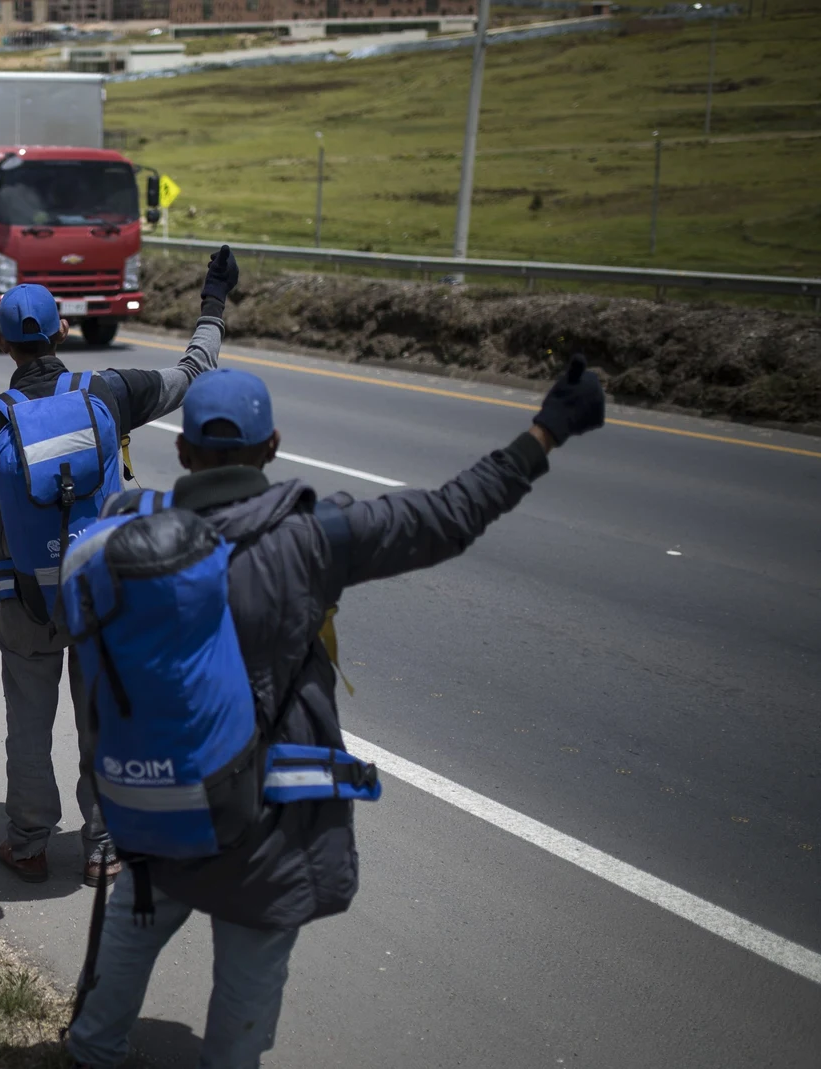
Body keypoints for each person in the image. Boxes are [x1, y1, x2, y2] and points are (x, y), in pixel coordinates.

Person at [64, 356, 607, 1068]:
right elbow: (450, 514)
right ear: (272, 447)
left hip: (157, 799)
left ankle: (90, 1049)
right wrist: (546, 431)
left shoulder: (130, 533)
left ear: (184, 451)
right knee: (245, 993)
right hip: (269, 819)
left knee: (134, 927)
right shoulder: (316, 536)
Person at [0, 248, 239, 886]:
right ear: (61, 332)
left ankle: (28, 843)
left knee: (29, 728)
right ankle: (103, 848)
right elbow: (195, 370)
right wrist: (213, 299)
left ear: (1, 344)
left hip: (26, 605)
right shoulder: (111, 392)